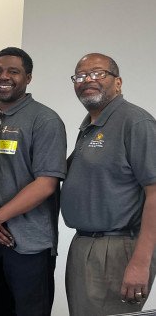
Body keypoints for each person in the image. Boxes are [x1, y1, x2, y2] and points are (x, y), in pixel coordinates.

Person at [0, 47, 66, 316]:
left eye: (13, 71)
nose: (4, 76)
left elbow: (46, 183)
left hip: (28, 245)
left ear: (28, 77)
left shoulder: (45, 120)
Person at [61, 53, 156, 315]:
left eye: (98, 73)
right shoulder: (91, 126)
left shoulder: (135, 122)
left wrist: (140, 262)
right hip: (83, 245)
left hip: (117, 249)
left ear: (118, 82)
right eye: (80, 76)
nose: (88, 80)